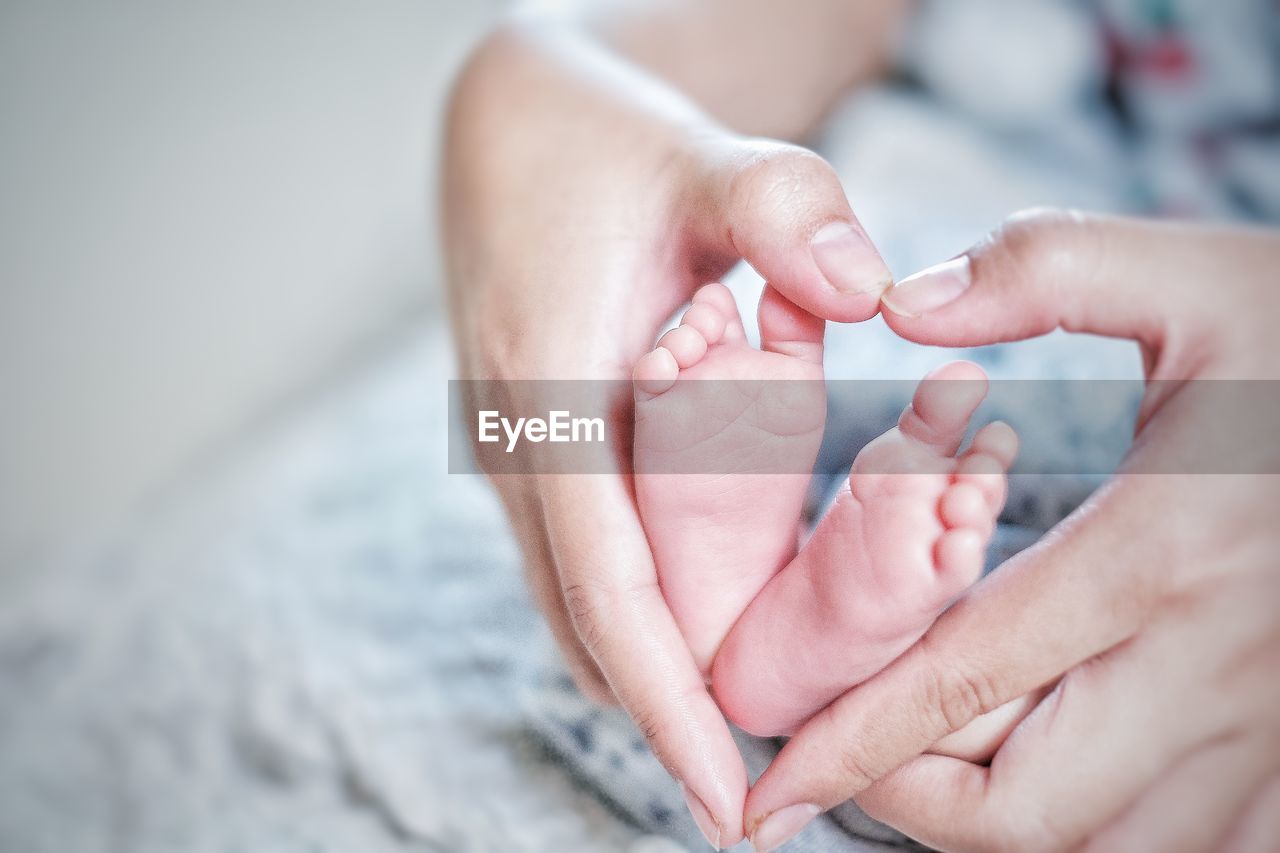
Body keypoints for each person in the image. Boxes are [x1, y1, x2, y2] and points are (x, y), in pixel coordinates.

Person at [443, 2, 1280, 848]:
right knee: (1023, 618)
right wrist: (535, 73)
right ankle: (801, 614)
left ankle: (801, 618)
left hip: (1159, 346)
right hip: (1024, 240)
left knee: (1067, 650)